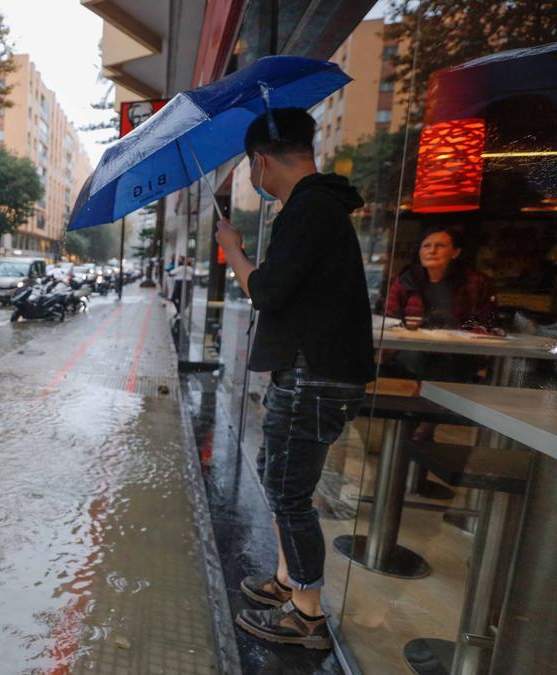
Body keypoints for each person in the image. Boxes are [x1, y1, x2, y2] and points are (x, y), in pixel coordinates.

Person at [215, 107, 374, 650]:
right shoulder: (316, 207)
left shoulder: (309, 210)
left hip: (313, 377)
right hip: (315, 372)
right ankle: (288, 580)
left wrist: (233, 249)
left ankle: (307, 615)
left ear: (261, 161)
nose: (254, 178)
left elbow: (266, 293)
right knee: (277, 474)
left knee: (289, 493)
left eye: (250, 168)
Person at [384, 225, 497, 439]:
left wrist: (465, 332)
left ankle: (415, 423)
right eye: (426, 246)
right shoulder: (406, 280)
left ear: (455, 252)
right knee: (435, 365)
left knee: (447, 363)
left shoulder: (474, 282)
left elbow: (486, 318)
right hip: (410, 350)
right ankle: (425, 426)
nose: (432, 251)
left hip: (457, 350)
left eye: (440, 246)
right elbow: (390, 318)